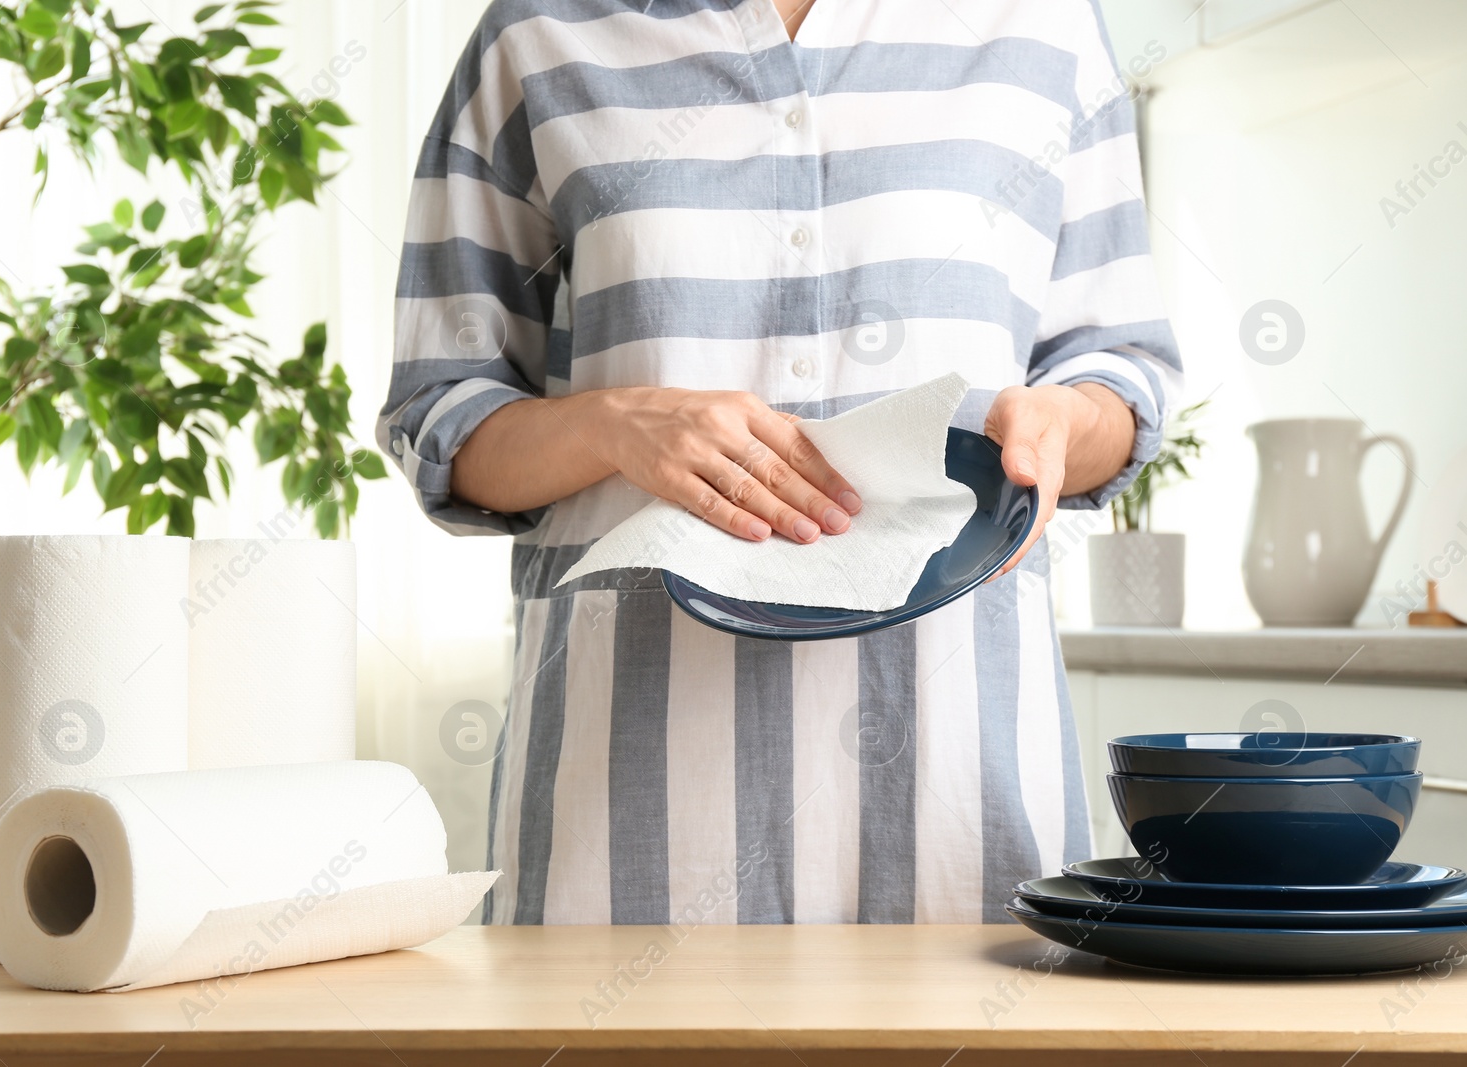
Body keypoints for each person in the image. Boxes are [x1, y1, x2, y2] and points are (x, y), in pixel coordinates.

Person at [379, 0, 1181, 924]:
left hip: (959, 762)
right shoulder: (537, 33)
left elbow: (1119, 373)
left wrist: (1057, 425)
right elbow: (439, 413)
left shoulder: (1045, 27)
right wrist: (613, 422)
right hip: (630, 780)